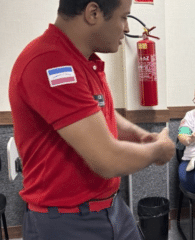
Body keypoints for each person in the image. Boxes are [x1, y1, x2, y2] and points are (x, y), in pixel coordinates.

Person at [8, 0, 175, 239]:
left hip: (111, 208)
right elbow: (107, 160)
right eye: (123, 17)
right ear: (93, 13)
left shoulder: (82, 60)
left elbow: (99, 110)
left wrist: (137, 134)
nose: (126, 28)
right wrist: (158, 151)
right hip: (66, 221)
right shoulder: (51, 62)